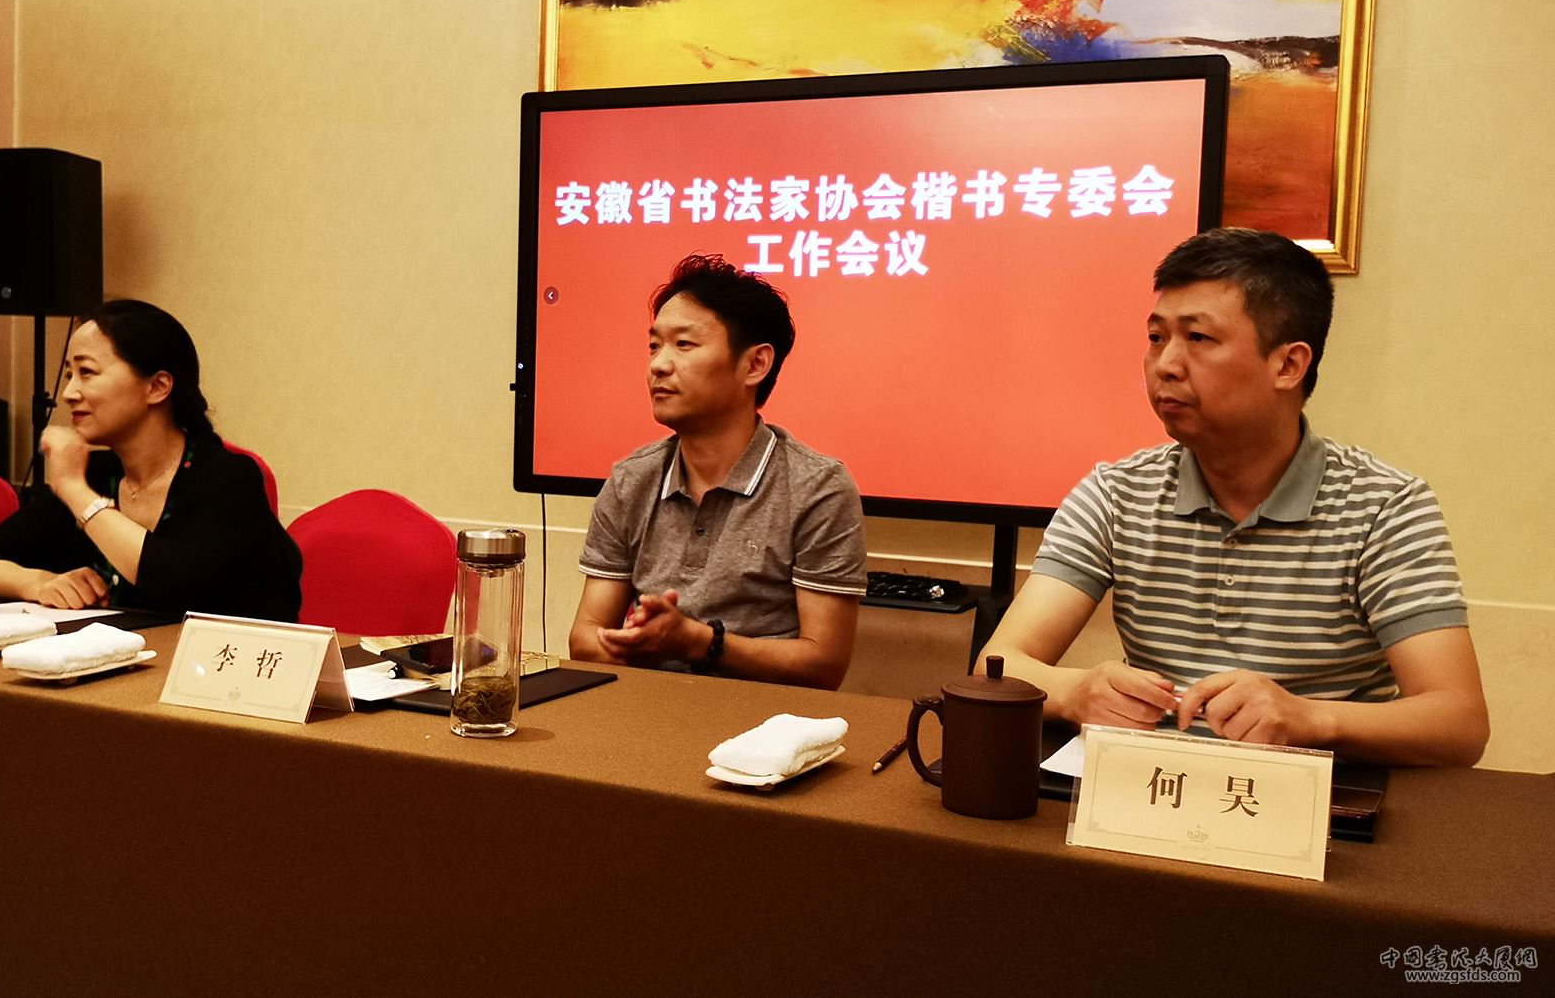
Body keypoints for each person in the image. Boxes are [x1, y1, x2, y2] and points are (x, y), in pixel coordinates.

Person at [977, 228, 1489, 766]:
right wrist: (1074, 693)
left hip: (1320, 801)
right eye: (1156, 337)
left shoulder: (1385, 507)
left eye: (1198, 338)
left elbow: (1458, 723)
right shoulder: (1116, 494)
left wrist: (1309, 718)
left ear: (1288, 365)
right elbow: (1000, 665)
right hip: (1149, 789)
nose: (1165, 364)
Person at [569, 254, 867, 689]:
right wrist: (637, 642)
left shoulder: (818, 488)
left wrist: (696, 642)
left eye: (683, 345)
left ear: (755, 365)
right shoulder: (631, 480)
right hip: (641, 709)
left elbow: (824, 665)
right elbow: (584, 639)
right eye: (654, 346)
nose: (658, 365)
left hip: (767, 721)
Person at [0, 300, 302, 622]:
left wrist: (75, 490)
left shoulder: (228, 478)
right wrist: (37, 582)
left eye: (87, 372)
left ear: (158, 387)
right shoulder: (97, 473)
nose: (69, 393)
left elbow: (177, 582)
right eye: (69, 375)